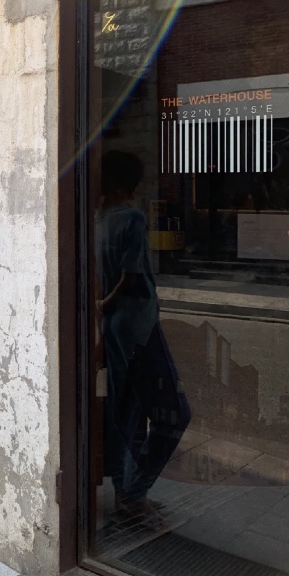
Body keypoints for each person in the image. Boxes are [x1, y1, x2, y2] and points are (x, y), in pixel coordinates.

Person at [95, 150, 191, 518]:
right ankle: (135, 492)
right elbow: (132, 276)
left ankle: (127, 494)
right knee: (174, 413)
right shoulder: (131, 218)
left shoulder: (97, 220)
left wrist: (101, 307)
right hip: (137, 325)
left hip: (113, 327)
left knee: (127, 411)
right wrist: (107, 301)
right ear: (130, 183)